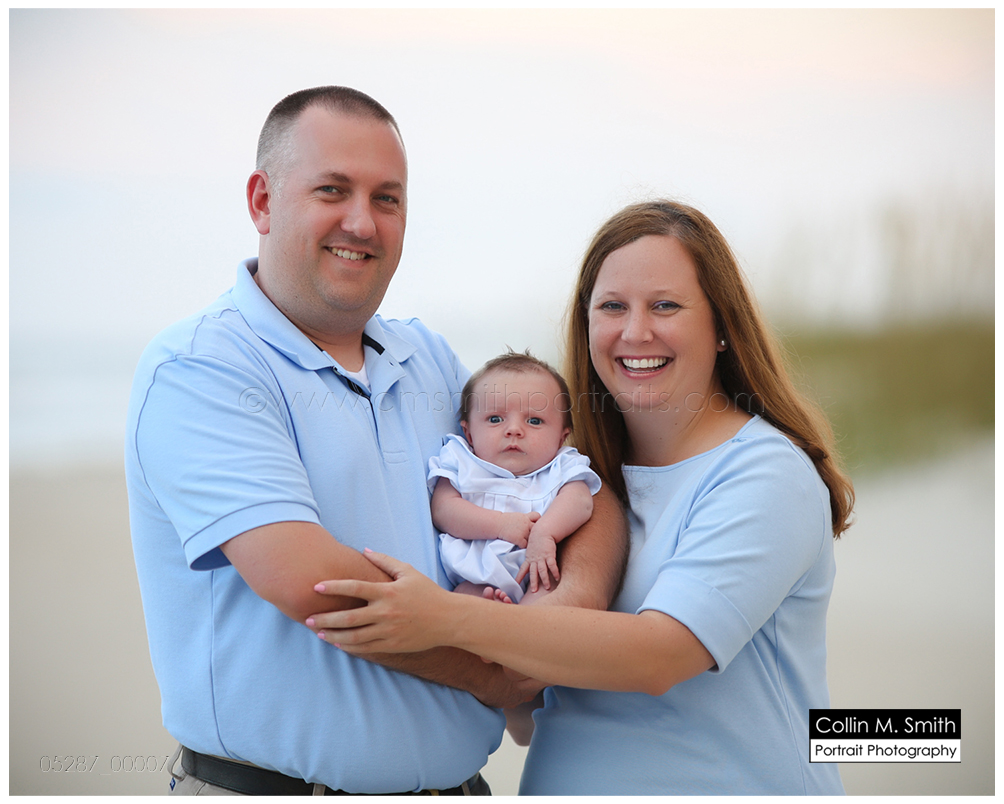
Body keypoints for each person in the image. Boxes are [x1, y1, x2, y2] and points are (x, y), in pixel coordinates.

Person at [125, 86, 626, 796]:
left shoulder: (430, 360)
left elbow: (585, 487)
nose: (362, 221)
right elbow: (322, 591)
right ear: (262, 201)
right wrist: (497, 667)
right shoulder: (202, 368)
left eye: (387, 199)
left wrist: (557, 622)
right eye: (333, 189)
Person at [307, 200, 856, 795]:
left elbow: (658, 657)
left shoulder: (763, 473)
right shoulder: (570, 479)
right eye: (612, 307)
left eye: (665, 305)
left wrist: (444, 617)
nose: (635, 331)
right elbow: (528, 711)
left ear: (721, 325)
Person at [432, 351, 602, 603]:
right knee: (463, 598)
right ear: (468, 433)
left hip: (540, 568)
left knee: (551, 592)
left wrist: (545, 533)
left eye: (534, 420)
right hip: (477, 578)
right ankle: (494, 616)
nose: (513, 430)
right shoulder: (461, 459)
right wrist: (501, 525)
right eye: (495, 419)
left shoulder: (562, 465)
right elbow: (443, 510)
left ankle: (522, 625)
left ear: (561, 438)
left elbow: (581, 501)